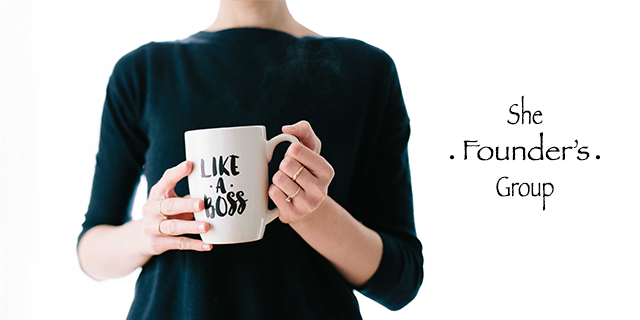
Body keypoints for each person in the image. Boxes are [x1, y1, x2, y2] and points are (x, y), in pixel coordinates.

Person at [77, 1, 423, 319]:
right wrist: (148, 233)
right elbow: (91, 250)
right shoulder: (144, 72)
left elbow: (400, 280)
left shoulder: (367, 72)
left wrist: (314, 213)